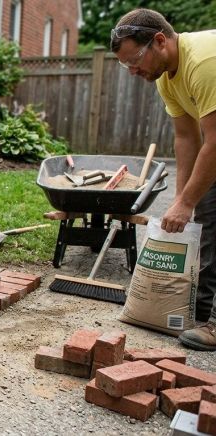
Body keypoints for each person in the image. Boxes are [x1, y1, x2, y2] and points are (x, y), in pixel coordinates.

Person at [111, 9, 216, 350]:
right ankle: (200, 307)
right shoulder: (166, 78)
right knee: (207, 219)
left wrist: (185, 202)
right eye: (126, 66)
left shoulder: (204, 62)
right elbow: (187, 138)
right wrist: (183, 199)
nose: (133, 71)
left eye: (135, 61)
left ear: (159, 41)